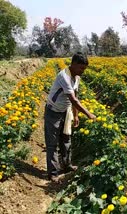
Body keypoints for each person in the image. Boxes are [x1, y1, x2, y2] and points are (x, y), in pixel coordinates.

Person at [44, 52, 96, 182]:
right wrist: (88, 113)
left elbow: (76, 96)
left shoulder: (76, 77)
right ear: (73, 64)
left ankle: (67, 166)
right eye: (81, 68)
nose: (83, 71)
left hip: (65, 111)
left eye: (84, 68)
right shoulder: (64, 76)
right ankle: (53, 173)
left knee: (66, 139)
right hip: (53, 112)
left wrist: (76, 115)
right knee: (52, 143)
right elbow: (73, 100)